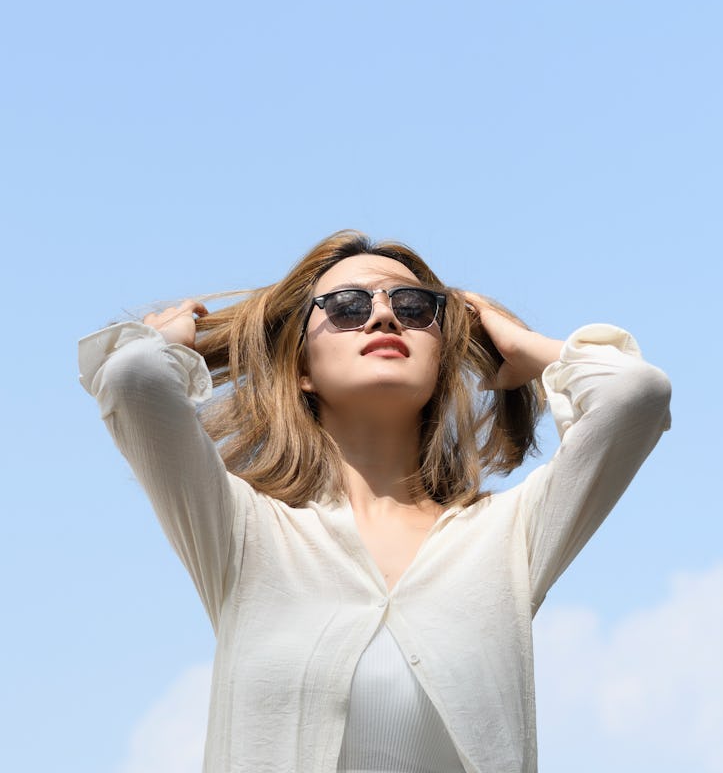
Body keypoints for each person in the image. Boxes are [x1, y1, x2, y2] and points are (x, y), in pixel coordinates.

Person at [79, 229, 671, 773]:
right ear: (302, 367)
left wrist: (522, 347)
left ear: (443, 361)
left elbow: (634, 395)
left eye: (415, 308)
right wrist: (181, 342)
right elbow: (135, 380)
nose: (384, 313)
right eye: (346, 306)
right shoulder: (243, 535)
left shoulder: (507, 539)